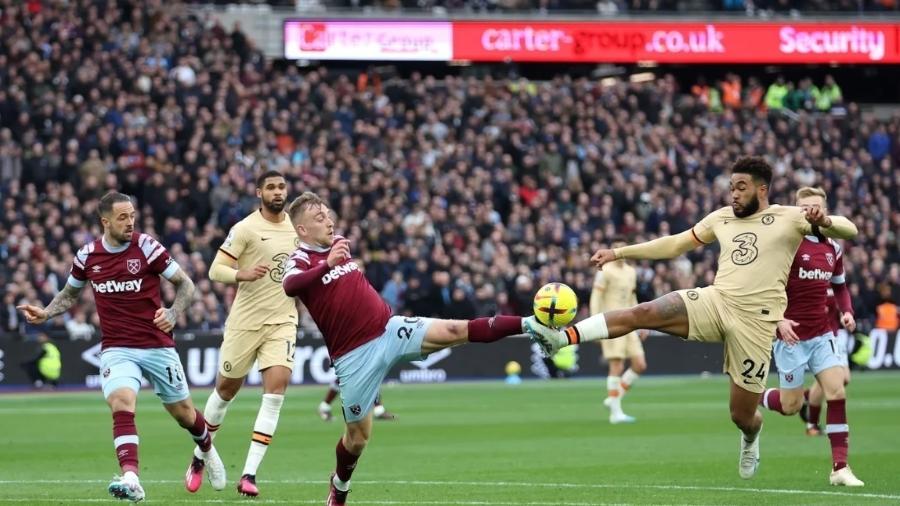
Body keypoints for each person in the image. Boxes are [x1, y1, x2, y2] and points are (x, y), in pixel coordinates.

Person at [524, 157, 858, 480]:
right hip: (715, 301)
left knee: (742, 416)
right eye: (731, 187)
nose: (734, 194)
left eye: (741, 187)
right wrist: (619, 252)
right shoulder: (722, 218)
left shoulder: (790, 217)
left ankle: (752, 437)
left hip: (756, 326)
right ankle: (562, 337)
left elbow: (850, 230)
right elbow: (674, 245)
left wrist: (825, 220)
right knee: (645, 312)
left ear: (762, 189)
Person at [281, 192, 529, 505]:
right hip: (354, 356)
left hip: (389, 328)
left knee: (456, 329)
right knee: (357, 439)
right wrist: (327, 264)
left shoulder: (339, 242)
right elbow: (290, 286)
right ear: (302, 230)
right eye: (319, 219)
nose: (329, 221)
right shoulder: (301, 260)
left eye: (328, 215)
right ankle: (340, 485)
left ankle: (530, 325)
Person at [17, 191, 225, 502]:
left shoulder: (147, 246)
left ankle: (206, 449)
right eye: (123, 217)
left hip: (156, 345)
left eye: (132, 216)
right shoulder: (87, 256)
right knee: (121, 402)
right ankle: (131, 478)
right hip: (117, 347)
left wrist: (172, 312)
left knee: (183, 414)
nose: (130, 222)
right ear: (105, 222)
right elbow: (70, 294)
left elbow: (186, 284)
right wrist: (47, 312)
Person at [190, 171, 298, 497]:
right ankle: (199, 456)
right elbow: (215, 270)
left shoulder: (298, 228)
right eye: (271, 187)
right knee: (225, 391)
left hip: (282, 322)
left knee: (275, 393)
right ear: (259, 193)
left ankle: (249, 474)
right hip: (244, 324)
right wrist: (242, 273)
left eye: (281, 187)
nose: (277, 192)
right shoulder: (246, 228)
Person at [756, 187, 863, 486]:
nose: (810, 211)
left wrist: (847, 312)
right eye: (803, 207)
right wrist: (779, 320)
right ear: (795, 210)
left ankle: (840, 468)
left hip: (822, 334)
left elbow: (840, 286)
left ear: (825, 210)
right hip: (790, 337)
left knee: (837, 391)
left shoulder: (833, 246)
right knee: (790, 407)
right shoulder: (786, 244)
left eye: (815, 206)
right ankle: (752, 396)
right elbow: (764, 286)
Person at [590, 239, 648, 424]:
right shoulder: (605, 271)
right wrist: (594, 324)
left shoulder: (631, 272)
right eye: (615, 248)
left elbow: (632, 298)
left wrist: (642, 323)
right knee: (617, 366)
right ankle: (615, 414)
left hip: (630, 323)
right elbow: (596, 297)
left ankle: (613, 399)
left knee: (640, 364)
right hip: (612, 323)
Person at [801, 287, 853, 437]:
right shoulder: (815, 281)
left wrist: (846, 315)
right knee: (835, 379)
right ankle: (812, 424)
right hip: (823, 338)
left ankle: (808, 397)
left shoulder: (836, 282)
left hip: (836, 336)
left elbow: (842, 305)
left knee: (844, 379)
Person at [318, 379, 395, 421]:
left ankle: (379, 410)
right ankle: (325, 406)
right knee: (345, 376)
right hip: (345, 351)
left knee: (369, 373)